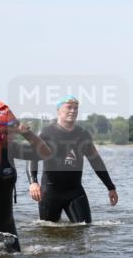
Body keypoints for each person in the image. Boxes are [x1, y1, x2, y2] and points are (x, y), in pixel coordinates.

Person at [28, 96, 118, 224]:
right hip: (50, 193)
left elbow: (96, 162)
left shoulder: (83, 134)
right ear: (58, 110)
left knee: (85, 228)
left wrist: (110, 187)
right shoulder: (46, 133)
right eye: (69, 107)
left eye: (76, 108)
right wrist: (33, 182)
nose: (73, 111)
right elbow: (32, 158)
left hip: (75, 192)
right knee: (48, 234)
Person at [0, 102, 52, 252]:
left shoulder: (9, 148)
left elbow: (45, 153)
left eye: (12, 131)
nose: (11, 136)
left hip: (6, 226)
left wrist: (26, 133)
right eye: (6, 132)